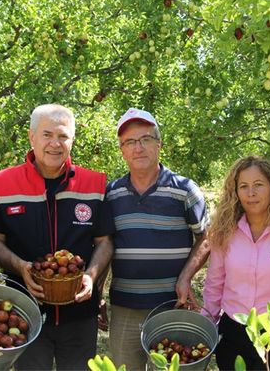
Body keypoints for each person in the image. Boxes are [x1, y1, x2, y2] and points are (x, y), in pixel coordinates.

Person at [0, 104, 114, 371]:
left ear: (73, 140)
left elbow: (105, 242)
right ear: (32, 137)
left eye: (63, 136)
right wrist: (20, 266)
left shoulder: (94, 184)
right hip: (23, 314)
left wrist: (90, 275)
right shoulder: (3, 183)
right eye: (47, 135)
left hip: (80, 314)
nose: (55, 143)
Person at [105, 108, 210, 370]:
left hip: (171, 307)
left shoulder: (184, 189)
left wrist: (186, 277)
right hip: (125, 307)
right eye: (129, 142)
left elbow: (206, 239)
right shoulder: (111, 194)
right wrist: (97, 292)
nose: (138, 148)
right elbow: (104, 245)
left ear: (159, 144)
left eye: (145, 139)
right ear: (122, 150)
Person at [201, 156, 270, 370]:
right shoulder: (225, 232)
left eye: (258, 185)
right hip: (233, 333)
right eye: (244, 186)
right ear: (235, 192)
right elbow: (214, 284)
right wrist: (206, 326)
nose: (251, 193)